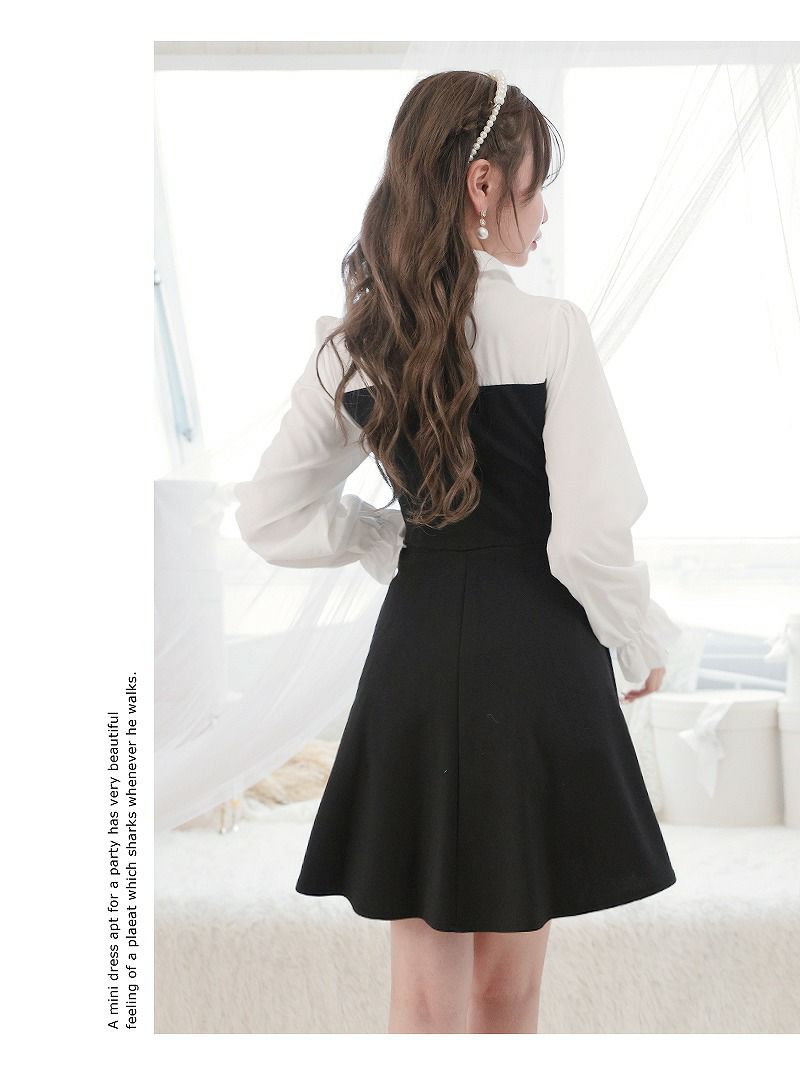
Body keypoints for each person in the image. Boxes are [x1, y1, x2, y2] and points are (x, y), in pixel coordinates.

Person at [233, 69, 682, 1035]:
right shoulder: (552, 331)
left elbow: (268, 514)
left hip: (420, 653)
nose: (542, 211)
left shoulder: (356, 343)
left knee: (423, 999)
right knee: (507, 994)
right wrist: (639, 637)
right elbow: (588, 538)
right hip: (541, 655)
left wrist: (392, 540)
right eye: (534, 184)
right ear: (483, 183)